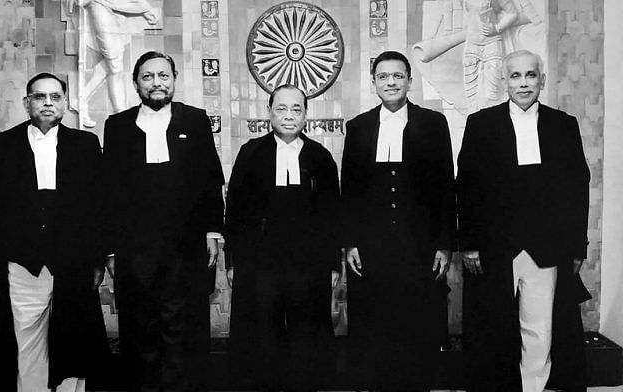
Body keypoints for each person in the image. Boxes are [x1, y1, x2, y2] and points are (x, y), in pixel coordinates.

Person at [457, 49, 591, 392]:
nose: (523, 83)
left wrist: (577, 246)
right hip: (495, 247)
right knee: (494, 327)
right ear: (505, 81)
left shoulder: (563, 125)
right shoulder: (481, 124)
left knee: (539, 327)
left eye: (531, 75)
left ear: (542, 80)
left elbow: (578, 189)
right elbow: (467, 187)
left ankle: (532, 387)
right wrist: (469, 243)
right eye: (515, 76)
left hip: (546, 248)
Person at [0, 73, 108, 392]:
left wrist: (98, 258)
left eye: (55, 97)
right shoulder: (0, 147)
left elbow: (98, 206)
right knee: (26, 341)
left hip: (73, 261)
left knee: (73, 339)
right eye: (39, 96)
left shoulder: (86, 145)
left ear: (65, 103)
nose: (48, 103)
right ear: (26, 103)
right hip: (22, 262)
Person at [102, 51, 224, 392]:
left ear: (173, 79)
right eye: (148, 76)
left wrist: (213, 231)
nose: (157, 83)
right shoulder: (117, 126)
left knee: (183, 328)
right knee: (140, 327)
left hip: (185, 249)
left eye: (163, 76)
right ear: (136, 83)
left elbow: (210, 181)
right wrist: (110, 248)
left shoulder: (195, 120)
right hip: (134, 250)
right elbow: (108, 193)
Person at [341, 51, 456, 391]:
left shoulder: (433, 124)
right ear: (373, 82)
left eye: (398, 76)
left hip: (419, 245)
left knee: (417, 323)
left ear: (409, 80)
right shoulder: (359, 127)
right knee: (374, 322)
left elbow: (446, 189)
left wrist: (444, 243)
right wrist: (350, 242)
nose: (390, 82)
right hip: (372, 247)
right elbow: (350, 190)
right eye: (383, 76)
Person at [224, 84, 340, 391]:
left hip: (308, 266)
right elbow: (234, 212)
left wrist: (332, 266)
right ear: (269, 112)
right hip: (260, 265)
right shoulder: (251, 153)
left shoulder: (320, 157)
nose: (289, 116)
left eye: (296, 109)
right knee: (262, 338)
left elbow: (332, 218)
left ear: (306, 114)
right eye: (281, 109)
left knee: (307, 338)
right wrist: (233, 261)